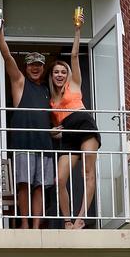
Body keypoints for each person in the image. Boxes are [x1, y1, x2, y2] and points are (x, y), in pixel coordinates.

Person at [0, 16, 54, 229]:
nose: (35, 68)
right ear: (26, 67)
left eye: (39, 65)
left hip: (45, 146)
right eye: (31, 65)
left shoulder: (48, 91)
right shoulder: (19, 83)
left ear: (43, 68)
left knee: (39, 187)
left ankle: (36, 226)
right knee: (24, 185)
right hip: (24, 144)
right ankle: (25, 224)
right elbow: (7, 56)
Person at [49, 12, 101, 229]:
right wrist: (54, 132)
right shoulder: (52, 101)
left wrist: (77, 30)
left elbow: (74, 57)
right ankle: (68, 221)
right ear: (52, 76)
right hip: (69, 134)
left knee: (87, 173)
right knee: (59, 180)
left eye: (63, 72)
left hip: (85, 125)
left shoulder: (75, 85)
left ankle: (81, 218)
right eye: (56, 72)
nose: (60, 75)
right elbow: (57, 129)